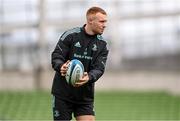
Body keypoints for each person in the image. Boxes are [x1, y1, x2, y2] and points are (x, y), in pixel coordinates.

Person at [51, 6, 109, 121]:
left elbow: (99, 68)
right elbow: (56, 56)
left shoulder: (102, 44)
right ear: (90, 21)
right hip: (63, 95)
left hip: (84, 97)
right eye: (102, 21)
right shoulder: (70, 36)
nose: (105, 25)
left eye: (105, 21)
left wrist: (89, 77)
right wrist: (61, 66)